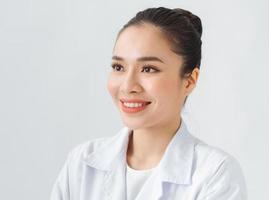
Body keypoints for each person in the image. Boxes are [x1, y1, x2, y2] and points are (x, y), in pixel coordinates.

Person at [50, 7, 247, 200]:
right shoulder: (81, 164)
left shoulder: (215, 175)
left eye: (149, 69)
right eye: (119, 67)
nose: (128, 86)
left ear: (189, 80)